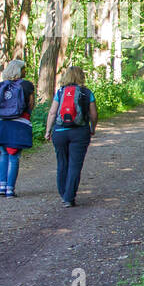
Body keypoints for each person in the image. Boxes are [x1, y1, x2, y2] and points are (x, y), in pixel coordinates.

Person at [44, 65, 97, 207]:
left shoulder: (60, 92)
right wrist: (93, 127)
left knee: (62, 163)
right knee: (75, 165)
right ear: (81, 76)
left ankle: (63, 193)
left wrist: (48, 130)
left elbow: (52, 112)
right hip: (80, 132)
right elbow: (93, 114)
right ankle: (69, 197)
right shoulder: (87, 93)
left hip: (60, 132)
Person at [0, 59, 35, 198]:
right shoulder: (26, 85)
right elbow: (31, 104)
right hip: (18, 123)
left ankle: (2, 187)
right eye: (24, 69)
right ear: (19, 71)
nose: (25, 71)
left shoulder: (0, 85)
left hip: (0, 123)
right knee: (14, 157)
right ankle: (10, 189)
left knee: (3, 154)